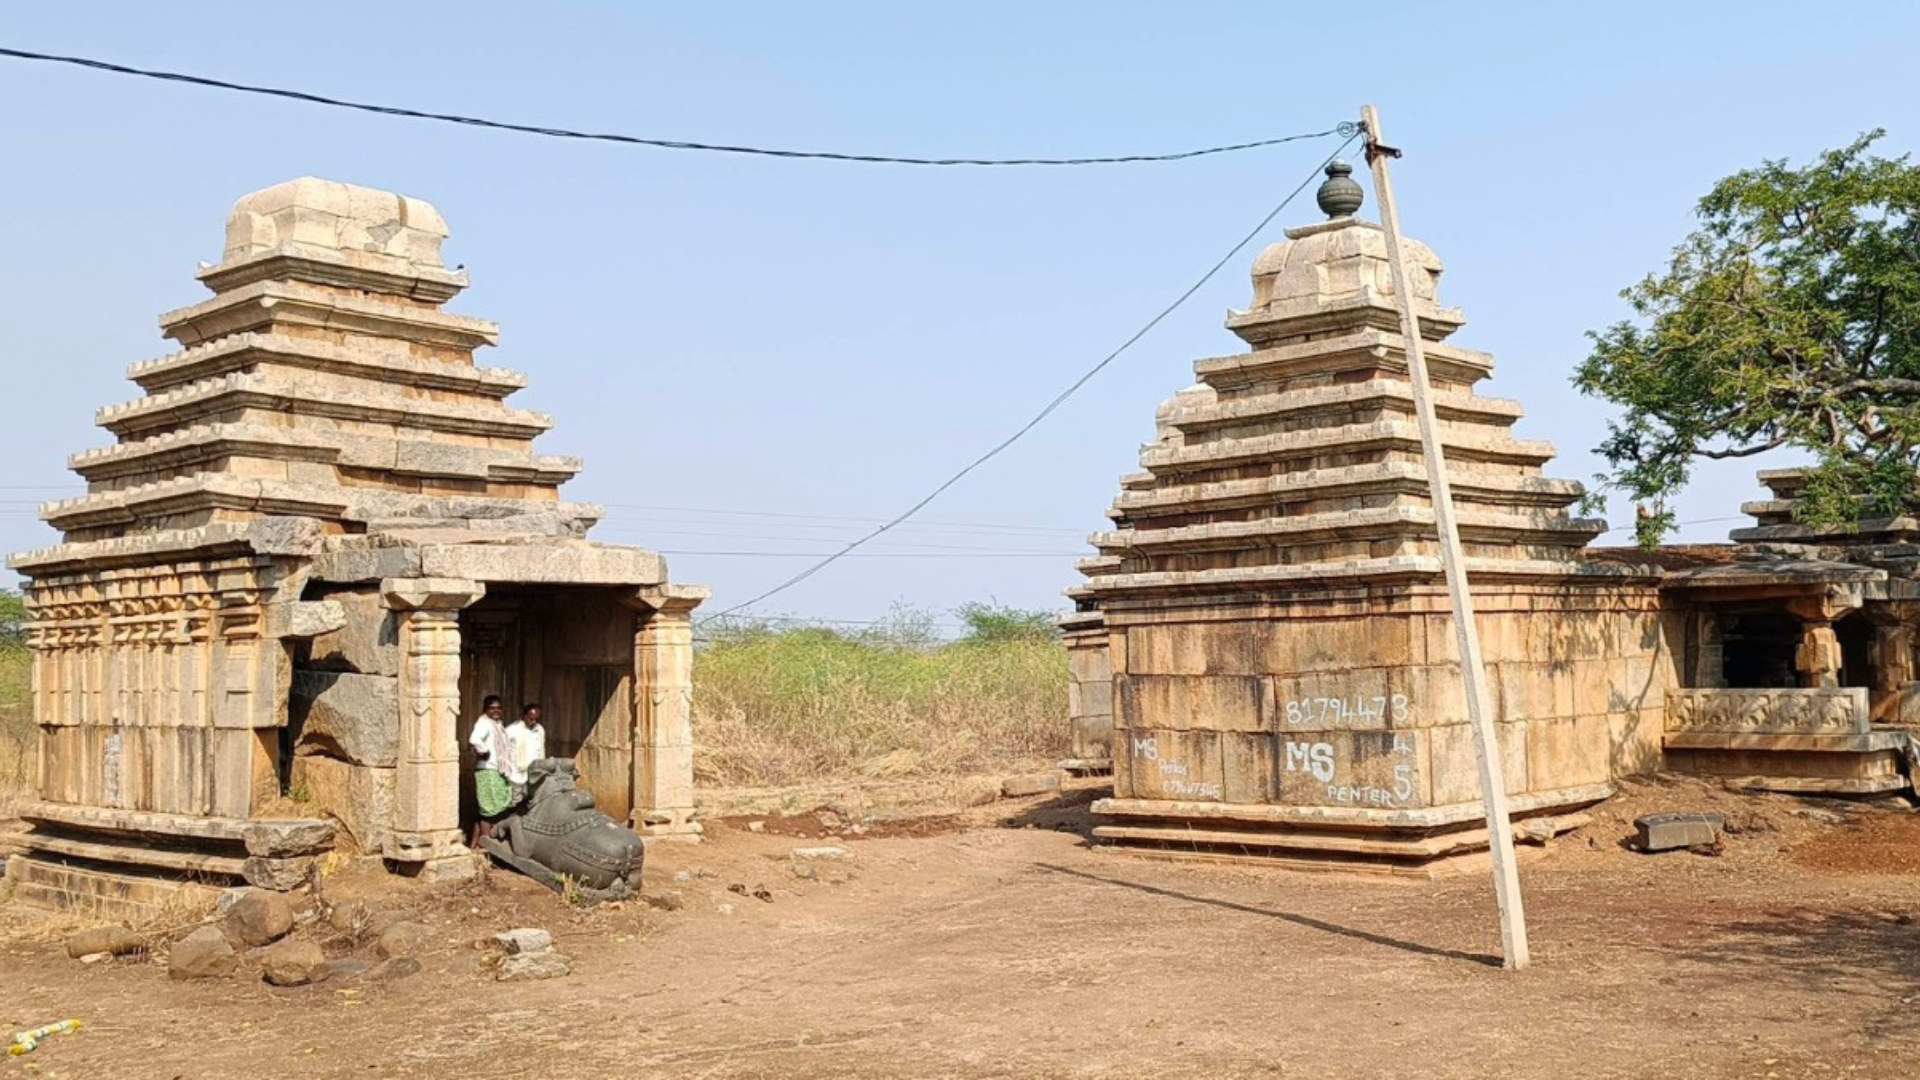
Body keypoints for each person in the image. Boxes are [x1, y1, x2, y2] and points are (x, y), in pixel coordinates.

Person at [468, 695, 513, 845]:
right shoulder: (484, 723)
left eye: (498, 708)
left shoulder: (496, 724)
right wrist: (483, 751)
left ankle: (477, 843)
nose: (496, 711)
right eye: (492, 708)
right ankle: (487, 845)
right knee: (489, 808)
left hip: (496, 769)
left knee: (494, 806)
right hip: (487, 770)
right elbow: (474, 739)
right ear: (485, 709)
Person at [505, 702, 547, 805]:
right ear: (524, 716)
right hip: (517, 771)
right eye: (531, 719)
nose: (533, 722)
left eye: (536, 719)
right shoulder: (512, 730)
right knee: (516, 800)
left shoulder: (540, 730)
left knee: (532, 799)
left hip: (535, 770)